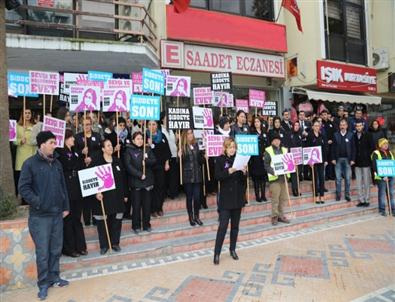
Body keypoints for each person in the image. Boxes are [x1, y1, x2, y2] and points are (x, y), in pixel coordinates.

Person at [18, 131, 70, 300]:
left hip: (57, 214)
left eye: (55, 142)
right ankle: (43, 284)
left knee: (55, 249)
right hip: (40, 217)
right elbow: (24, 188)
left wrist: (66, 206)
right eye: (51, 142)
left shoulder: (57, 163)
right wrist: (39, 202)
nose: (55, 145)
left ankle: (55, 277)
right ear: (42, 144)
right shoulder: (30, 164)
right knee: (43, 253)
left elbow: (63, 186)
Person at [213, 137, 247, 265]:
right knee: (222, 227)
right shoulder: (220, 160)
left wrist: (244, 172)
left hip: (237, 199)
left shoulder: (239, 160)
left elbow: (243, 182)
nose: (232, 149)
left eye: (234, 147)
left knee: (235, 227)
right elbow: (218, 176)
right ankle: (217, 253)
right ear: (225, 148)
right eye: (230, 147)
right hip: (226, 199)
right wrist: (229, 171)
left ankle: (232, 249)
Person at [94, 139, 128, 254]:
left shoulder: (117, 161)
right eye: (108, 146)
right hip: (103, 197)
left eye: (111, 145)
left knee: (117, 220)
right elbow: (93, 179)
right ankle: (104, 245)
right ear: (103, 149)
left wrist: (125, 194)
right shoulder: (98, 162)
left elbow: (123, 179)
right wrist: (96, 192)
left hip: (117, 196)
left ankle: (115, 243)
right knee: (103, 223)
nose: (111, 147)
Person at [57, 130, 87, 257]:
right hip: (67, 187)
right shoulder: (60, 153)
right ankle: (69, 248)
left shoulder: (75, 152)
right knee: (68, 219)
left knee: (77, 218)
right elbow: (67, 165)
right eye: (71, 138)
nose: (74, 140)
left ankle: (80, 246)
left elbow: (79, 165)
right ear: (65, 139)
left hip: (77, 187)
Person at [124, 132, 156, 234]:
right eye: (138, 139)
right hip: (136, 183)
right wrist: (139, 174)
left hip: (147, 182)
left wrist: (146, 161)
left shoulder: (147, 149)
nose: (140, 140)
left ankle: (146, 225)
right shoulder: (128, 151)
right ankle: (136, 225)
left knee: (147, 205)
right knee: (136, 206)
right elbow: (128, 166)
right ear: (133, 140)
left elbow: (154, 160)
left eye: (141, 138)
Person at [74, 116, 102, 226]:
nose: (87, 126)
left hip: (94, 167)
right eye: (85, 124)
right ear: (81, 125)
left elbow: (100, 150)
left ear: (91, 124)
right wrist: (82, 152)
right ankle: (86, 219)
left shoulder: (97, 135)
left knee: (95, 193)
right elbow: (74, 152)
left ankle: (95, 218)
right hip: (83, 168)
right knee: (86, 195)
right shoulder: (77, 137)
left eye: (89, 124)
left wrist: (92, 158)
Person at [264, 133, 291, 226]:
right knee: (275, 198)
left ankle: (281, 215)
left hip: (283, 178)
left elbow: (288, 162)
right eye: (275, 140)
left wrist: (291, 166)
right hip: (274, 179)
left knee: (283, 198)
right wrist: (273, 171)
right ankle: (274, 216)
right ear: (272, 141)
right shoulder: (268, 150)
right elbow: (266, 165)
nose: (277, 141)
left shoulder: (284, 150)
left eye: (278, 140)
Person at [179, 130, 205, 226]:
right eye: (188, 133)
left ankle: (197, 216)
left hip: (197, 175)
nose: (190, 135)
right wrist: (179, 156)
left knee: (197, 198)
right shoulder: (182, 147)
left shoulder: (196, 145)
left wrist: (204, 157)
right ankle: (190, 216)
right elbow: (180, 162)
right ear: (185, 135)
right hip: (188, 176)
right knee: (189, 198)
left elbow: (200, 161)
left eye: (191, 133)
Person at [147, 120, 171, 217]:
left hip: (161, 166)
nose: (151, 126)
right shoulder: (145, 136)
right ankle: (152, 209)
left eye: (153, 124)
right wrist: (148, 144)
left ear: (157, 125)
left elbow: (167, 151)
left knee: (160, 187)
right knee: (152, 188)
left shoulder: (162, 136)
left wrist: (167, 163)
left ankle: (159, 208)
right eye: (149, 124)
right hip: (150, 167)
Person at [14, 109, 36, 198]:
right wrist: (20, 141)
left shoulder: (35, 126)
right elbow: (13, 141)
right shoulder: (17, 126)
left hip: (33, 155)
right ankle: (21, 197)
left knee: (33, 179)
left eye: (29, 113)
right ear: (22, 114)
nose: (27, 115)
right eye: (25, 113)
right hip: (22, 156)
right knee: (22, 179)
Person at [332, 119, 355, 201]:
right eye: (341, 125)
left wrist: (353, 159)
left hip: (348, 160)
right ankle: (338, 195)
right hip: (338, 159)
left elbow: (353, 148)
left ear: (347, 126)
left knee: (348, 178)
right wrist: (333, 158)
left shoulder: (351, 135)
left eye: (344, 125)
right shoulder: (335, 135)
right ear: (339, 126)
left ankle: (347, 195)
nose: (342, 126)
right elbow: (333, 147)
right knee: (338, 178)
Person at [371, 138, 394, 216]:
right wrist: (383, 176)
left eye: (387, 144)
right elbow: (375, 166)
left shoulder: (390, 153)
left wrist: (391, 175)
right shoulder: (376, 153)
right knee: (382, 193)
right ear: (380, 145)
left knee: (391, 193)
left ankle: (393, 209)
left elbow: (392, 164)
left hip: (390, 177)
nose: (386, 145)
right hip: (381, 178)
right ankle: (382, 210)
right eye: (384, 144)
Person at [306, 120, 328, 204]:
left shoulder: (322, 136)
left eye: (318, 126)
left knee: (322, 178)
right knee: (315, 178)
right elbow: (307, 148)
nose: (316, 127)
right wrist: (309, 161)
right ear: (312, 127)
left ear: (320, 127)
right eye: (315, 125)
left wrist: (325, 160)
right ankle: (315, 195)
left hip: (321, 160)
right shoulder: (310, 136)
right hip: (313, 161)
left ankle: (321, 195)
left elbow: (325, 149)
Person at [249, 116, 269, 202]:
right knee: (256, 178)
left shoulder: (264, 133)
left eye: (258, 121)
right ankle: (257, 196)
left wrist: (266, 154)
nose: (257, 123)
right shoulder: (252, 133)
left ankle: (263, 195)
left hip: (263, 158)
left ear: (261, 123)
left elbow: (267, 144)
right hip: (255, 158)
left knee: (263, 178)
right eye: (255, 122)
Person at [161, 112, 179, 199]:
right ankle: (165, 193)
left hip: (174, 154)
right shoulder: (160, 130)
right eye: (166, 118)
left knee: (173, 176)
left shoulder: (172, 129)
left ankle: (173, 193)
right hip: (166, 156)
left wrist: (177, 139)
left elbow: (174, 143)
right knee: (166, 176)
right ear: (162, 119)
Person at [354, 121, 372, 207]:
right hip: (357, 162)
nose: (358, 127)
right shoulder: (353, 136)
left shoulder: (368, 135)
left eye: (360, 126)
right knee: (358, 182)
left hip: (366, 162)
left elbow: (371, 148)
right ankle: (361, 200)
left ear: (363, 126)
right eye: (357, 126)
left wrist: (368, 157)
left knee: (366, 182)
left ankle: (367, 199)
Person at [289, 121, 303, 197]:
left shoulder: (300, 134)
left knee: (298, 173)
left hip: (299, 157)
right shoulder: (290, 134)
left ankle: (298, 188)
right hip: (292, 157)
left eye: (298, 125)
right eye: (295, 125)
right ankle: (294, 189)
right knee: (294, 174)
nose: (297, 126)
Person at [321, 110, 336, 180]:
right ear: (321, 116)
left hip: (331, 145)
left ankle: (331, 175)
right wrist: (326, 141)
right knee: (325, 160)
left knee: (331, 160)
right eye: (323, 115)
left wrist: (332, 140)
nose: (324, 116)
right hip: (324, 145)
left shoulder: (331, 123)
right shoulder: (320, 124)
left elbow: (335, 133)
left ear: (327, 115)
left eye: (325, 114)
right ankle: (326, 176)